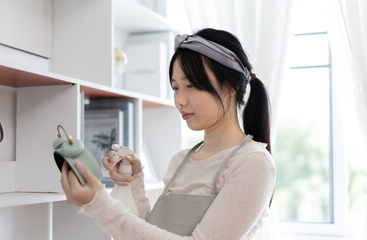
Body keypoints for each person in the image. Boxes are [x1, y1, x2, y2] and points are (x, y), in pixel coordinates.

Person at [60, 28, 276, 240]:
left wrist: (98, 204)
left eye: (191, 85)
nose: (180, 100)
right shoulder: (181, 160)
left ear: (231, 86)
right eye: (175, 88)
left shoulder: (253, 163)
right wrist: (132, 179)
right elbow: (151, 232)